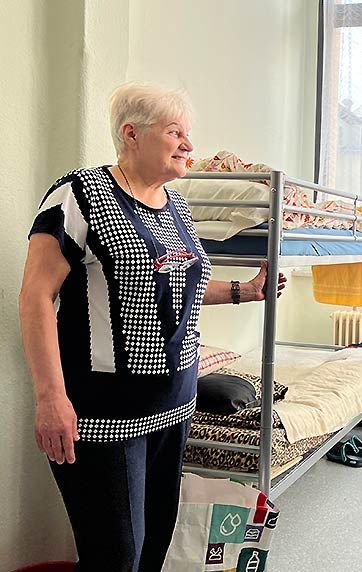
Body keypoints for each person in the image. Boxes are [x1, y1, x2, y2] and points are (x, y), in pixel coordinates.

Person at [18, 82, 286, 571]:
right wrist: (50, 397)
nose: (189, 145)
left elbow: (174, 284)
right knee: (115, 556)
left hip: (174, 408)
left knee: (153, 547)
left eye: (189, 134)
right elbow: (36, 297)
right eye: (175, 132)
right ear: (132, 134)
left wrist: (244, 291)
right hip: (105, 415)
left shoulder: (178, 208)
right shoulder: (81, 195)